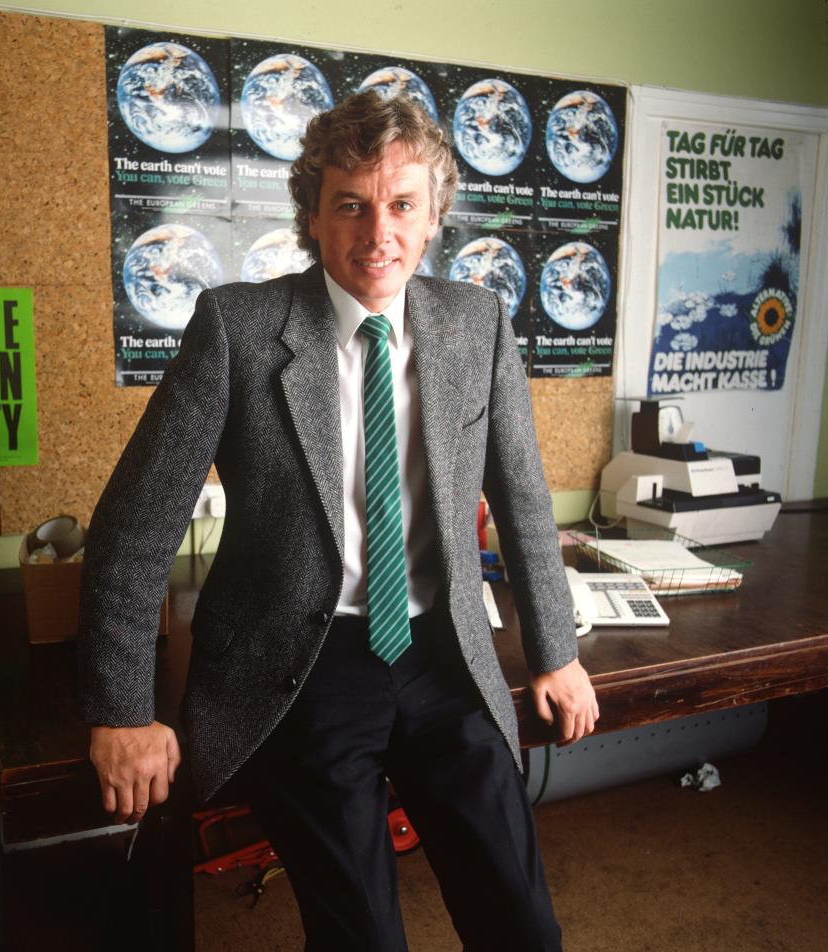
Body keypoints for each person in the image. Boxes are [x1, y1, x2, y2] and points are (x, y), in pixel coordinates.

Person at [78, 90, 598, 951]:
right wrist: (122, 710)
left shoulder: (478, 325)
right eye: (350, 206)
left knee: (522, 922)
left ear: (435, 220)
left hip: (443, 656)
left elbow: (523, 498)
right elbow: (135, 527)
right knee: (361, 937)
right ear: (312, 218)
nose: (377, 234)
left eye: (401, 207)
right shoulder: (239, 329)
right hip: (304, 663)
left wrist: (557, 653)